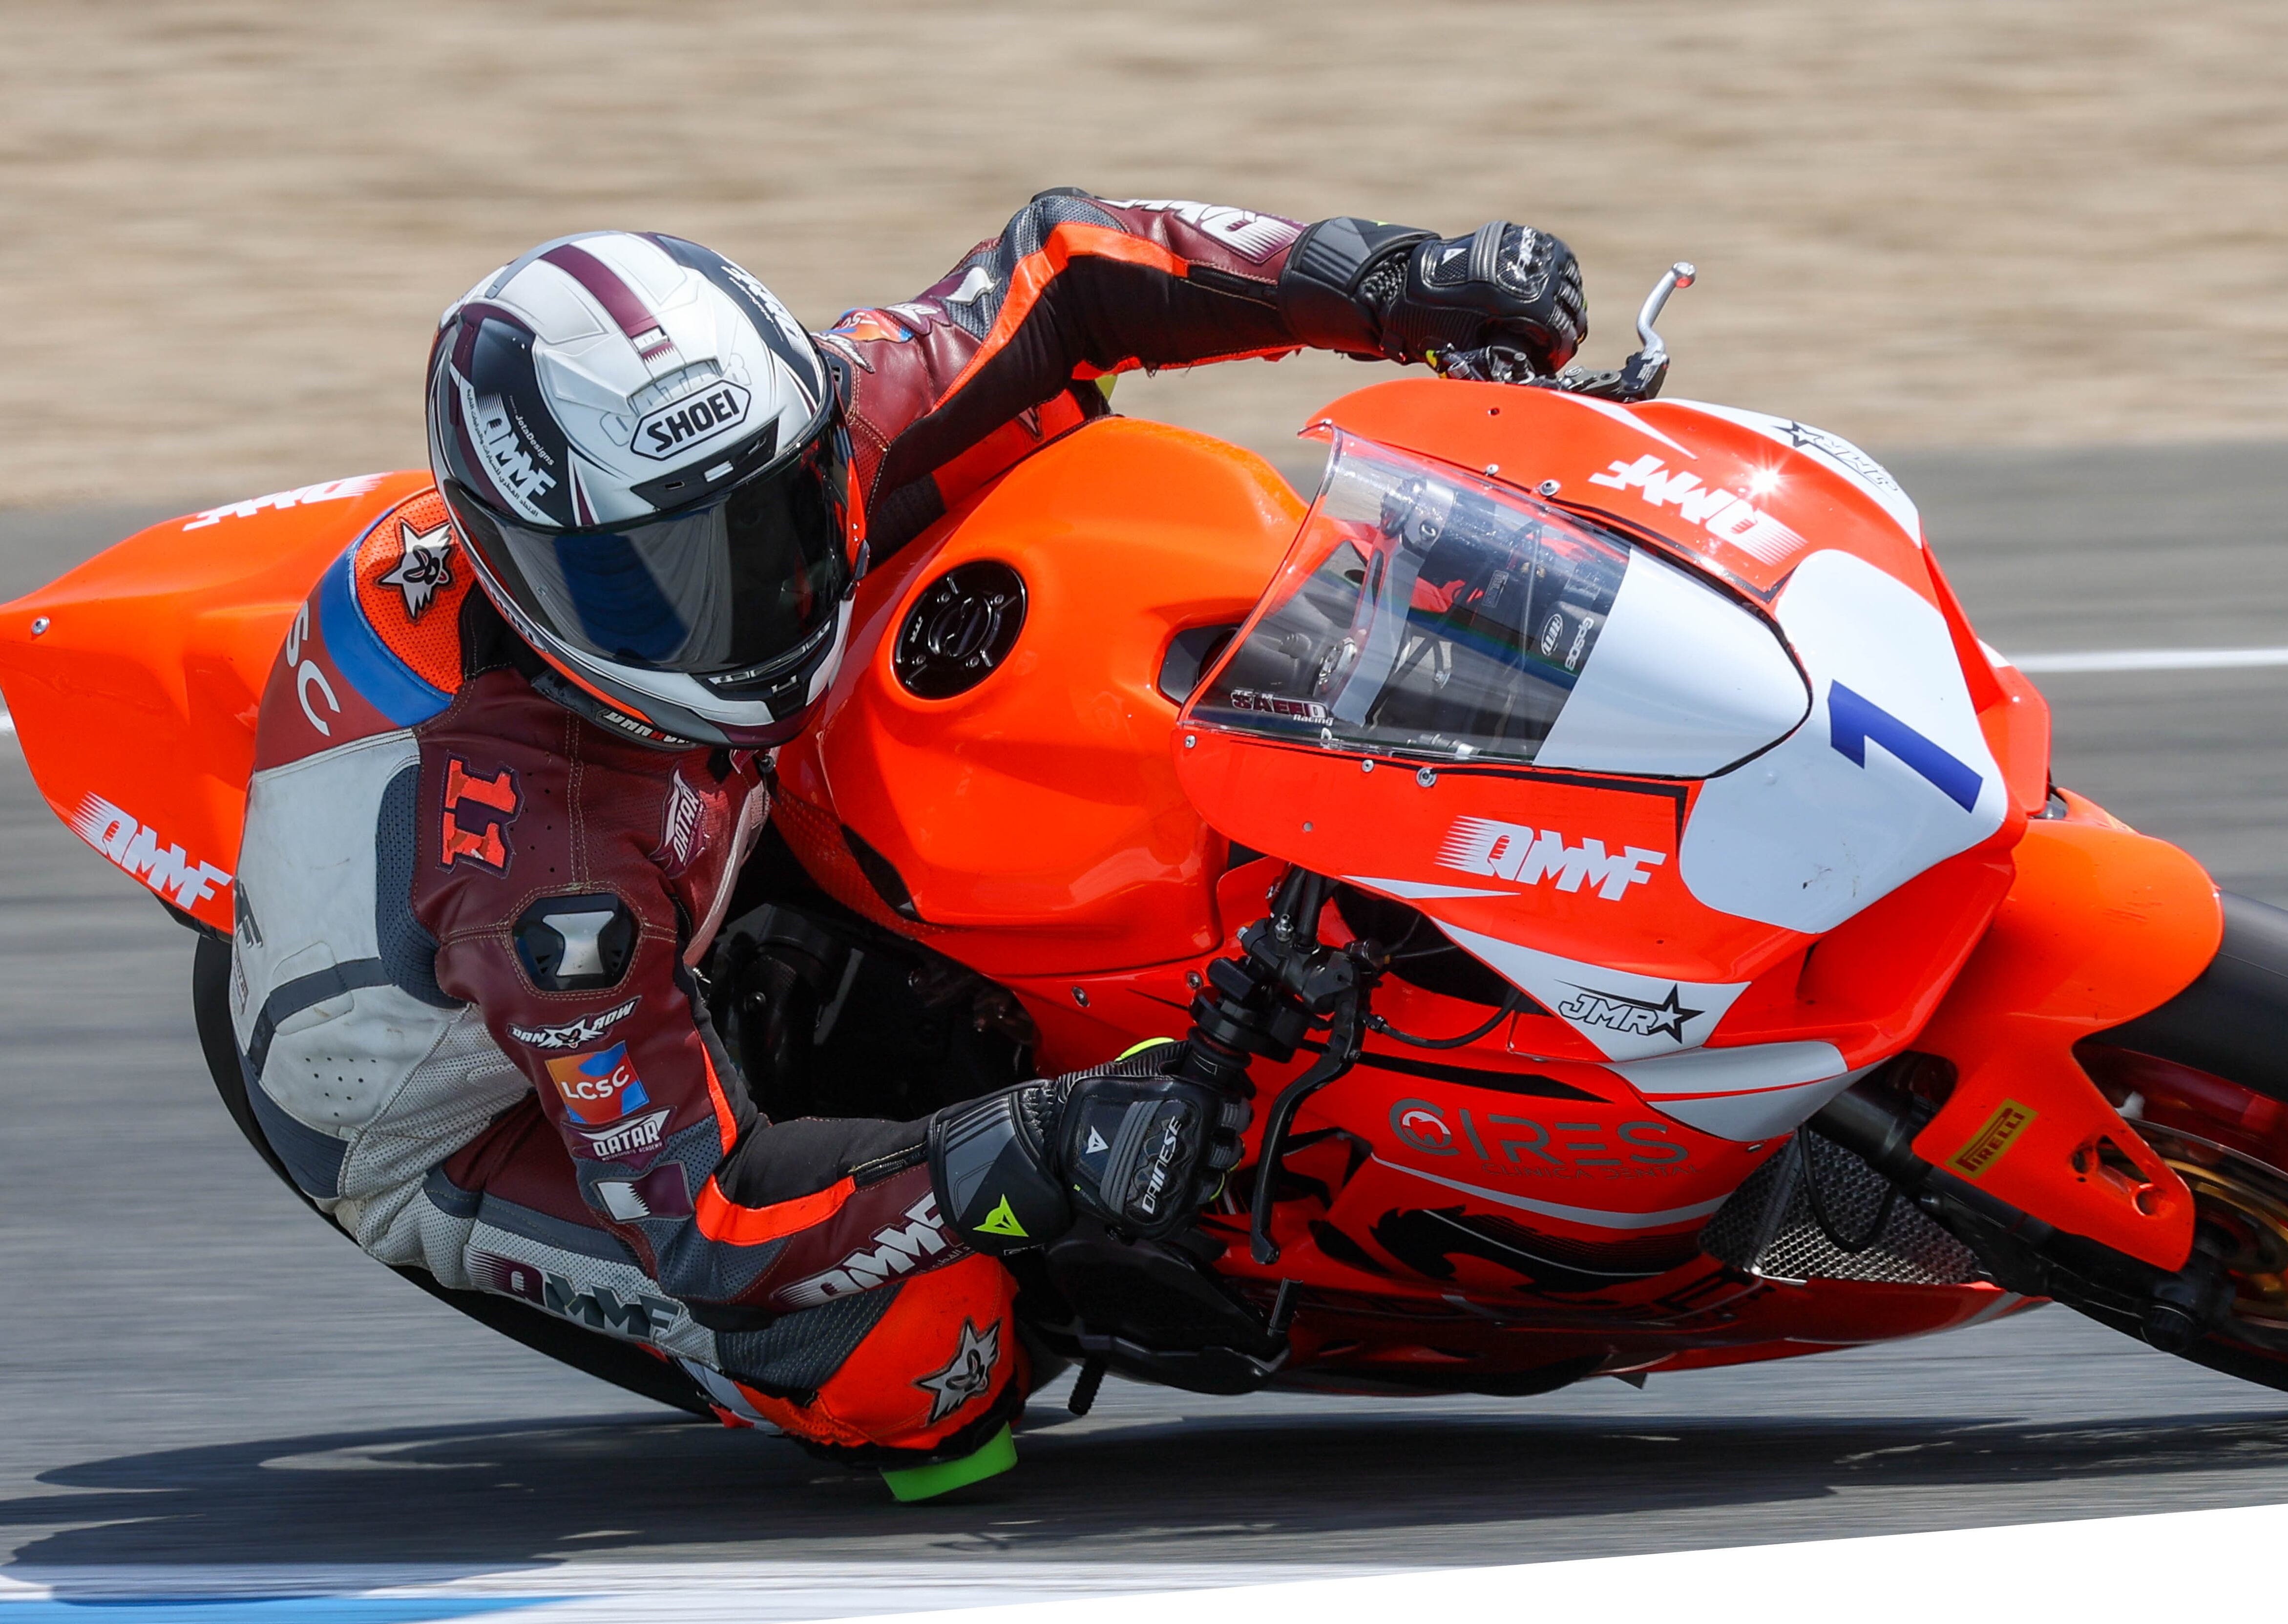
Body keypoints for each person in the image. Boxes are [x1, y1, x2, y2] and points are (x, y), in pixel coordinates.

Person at [224, 192, 1586, 1497]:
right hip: (476, 1120)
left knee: (1033, 434)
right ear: (528, 580)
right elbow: (708, 1228)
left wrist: (1391, 282)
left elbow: (1066, 269)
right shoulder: (547, 880)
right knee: (932, 1360)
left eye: (772, 520)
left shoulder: (781, 437)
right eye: (662, 583)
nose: (750, 600)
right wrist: (1049, 1143)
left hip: (690, 823)